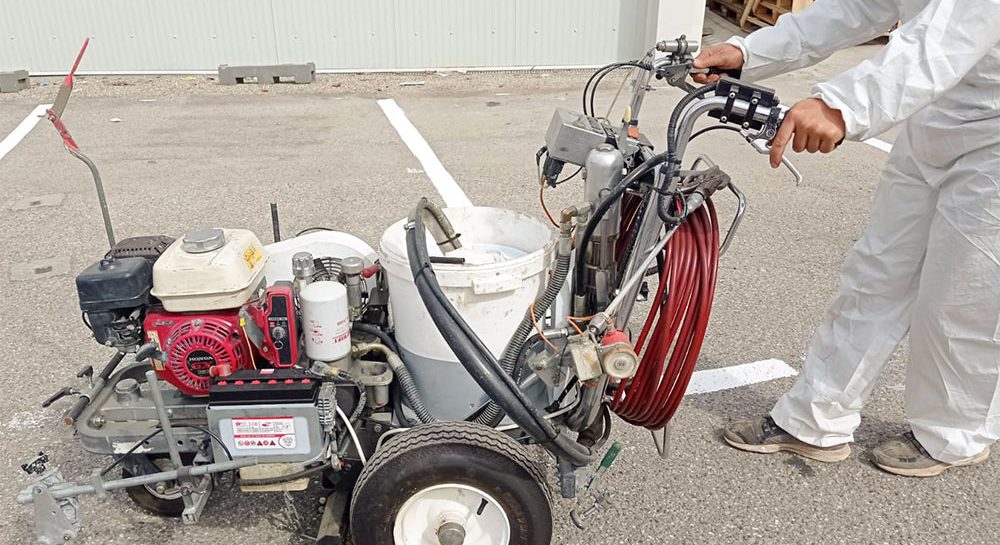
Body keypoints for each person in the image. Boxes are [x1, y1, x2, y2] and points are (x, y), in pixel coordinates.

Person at [692, 0, 1000, 477]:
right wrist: (749, 52)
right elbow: (858, 6)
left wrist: (841, 105)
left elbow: (948, 36)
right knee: (876, 271)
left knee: (962, 294)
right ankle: (813, 419)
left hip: (994, 131)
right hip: (936, 111)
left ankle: (953, 433)